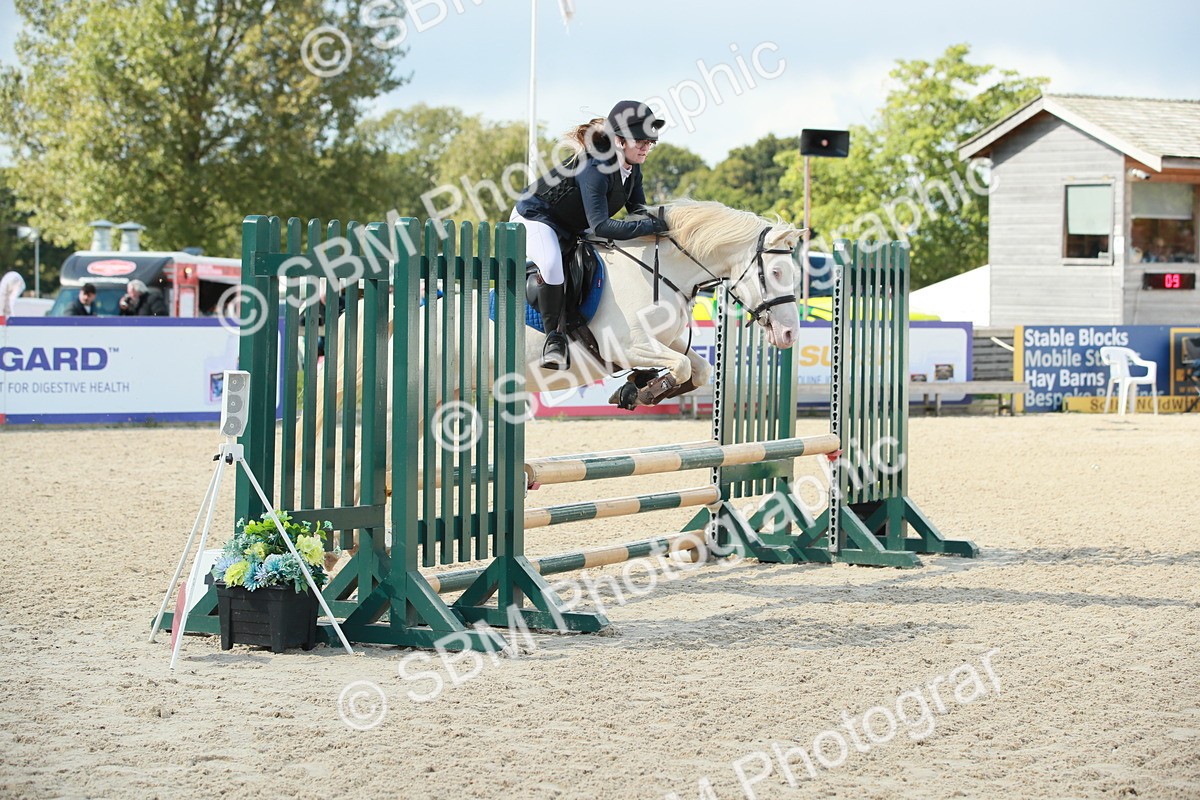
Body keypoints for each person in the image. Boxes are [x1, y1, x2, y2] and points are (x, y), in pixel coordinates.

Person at [513, 99, 668, 369]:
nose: (646, 147)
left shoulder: (632, 169)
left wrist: (665, 224)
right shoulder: (595, 168)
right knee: (550, 265)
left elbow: (638, 211)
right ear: (620, 140)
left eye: (649, 143)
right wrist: (649, 226)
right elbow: (601, 226)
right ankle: (555, 340)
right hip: (537, 217)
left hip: (571, 225)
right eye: (641, 141)